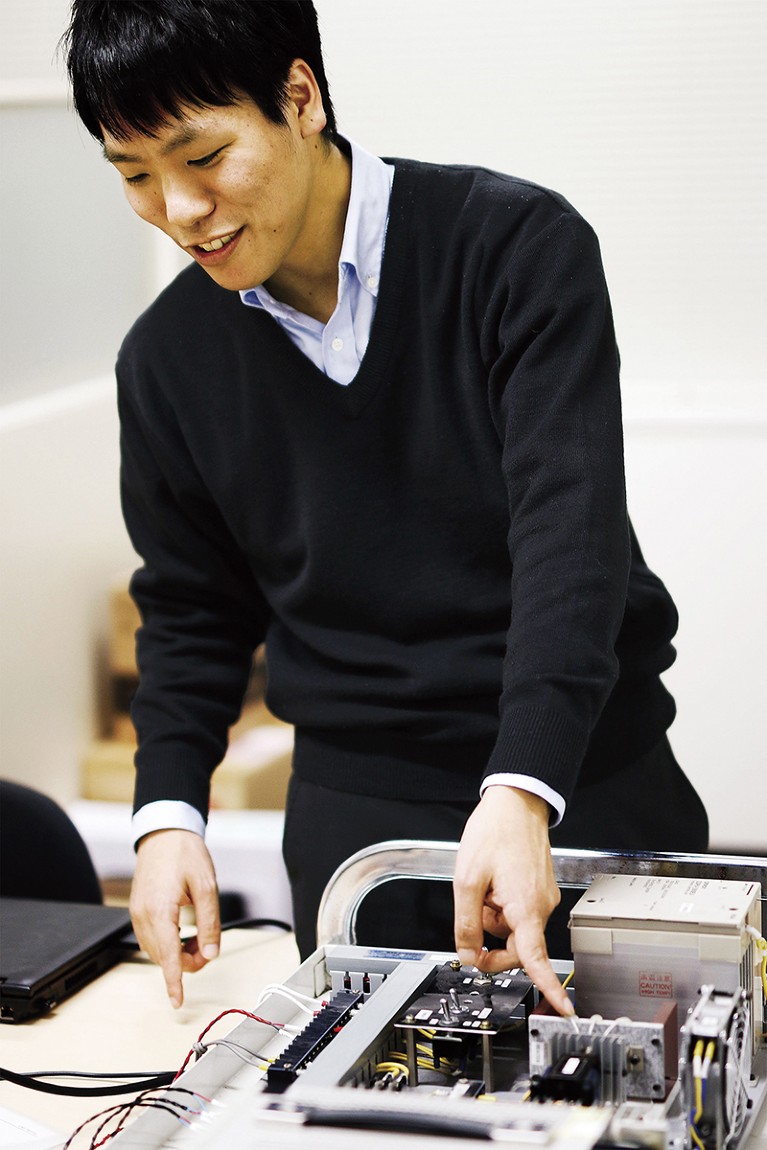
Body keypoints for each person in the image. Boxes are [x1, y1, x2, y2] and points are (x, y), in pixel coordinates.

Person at [64, 0, 708, 1015]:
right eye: (136, 177)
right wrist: (167, 812)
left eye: (202, 159)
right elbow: (191, 609)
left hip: (583, 779)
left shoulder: (512, 248)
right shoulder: (165, 360)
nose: (179, 209)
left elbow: (567, 537)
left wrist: (522, 784)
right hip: (359, 829)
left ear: (299, 96)